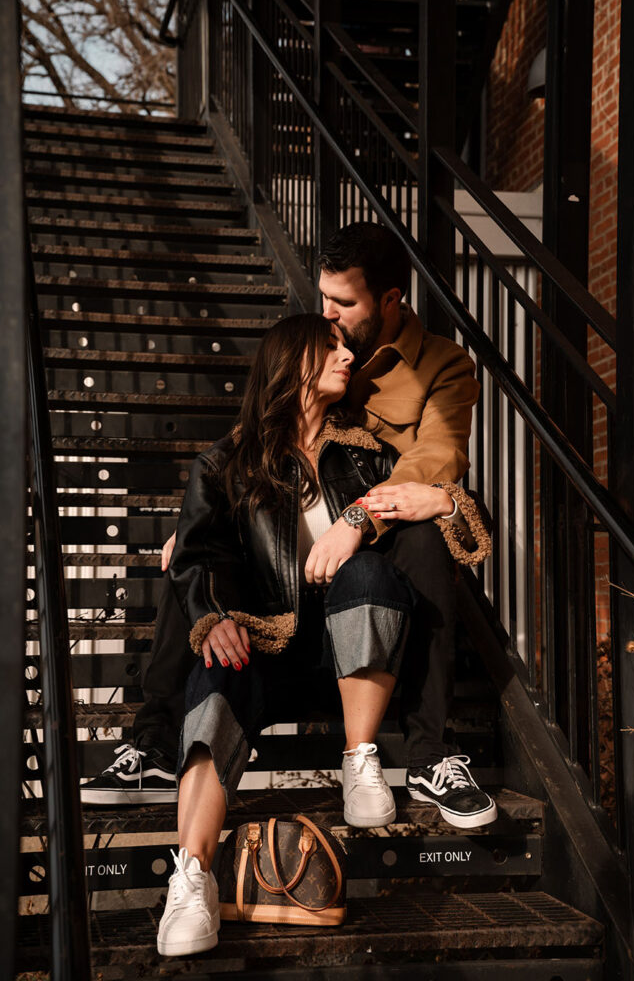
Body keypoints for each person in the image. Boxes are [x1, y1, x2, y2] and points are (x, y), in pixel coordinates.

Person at [81, 221, 496, 834]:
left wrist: (363, 517)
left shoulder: (441, 368)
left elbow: (431, 466)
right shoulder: (319, 354)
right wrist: (209, 506)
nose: (329, 315)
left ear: (388, 299)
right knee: (190, 550)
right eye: (323, 303)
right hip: (291, 560)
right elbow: (277, 420)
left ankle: (428, 751)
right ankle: (159, 741)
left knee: (425, 524)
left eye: (343, 305)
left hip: (378, 538)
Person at [156, 314, 456, 955]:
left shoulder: (368, 456)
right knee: (215, 670)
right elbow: (198, 555)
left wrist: (448, 502)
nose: (348, 354)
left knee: (368, 569)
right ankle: (193, 877)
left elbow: (438, 513)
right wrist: (215, 615)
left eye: (346, 345)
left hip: (358, 658)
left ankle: (360, 761)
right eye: (331, 348)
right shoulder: (225, 464)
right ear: (292, 363)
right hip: (270, 647)